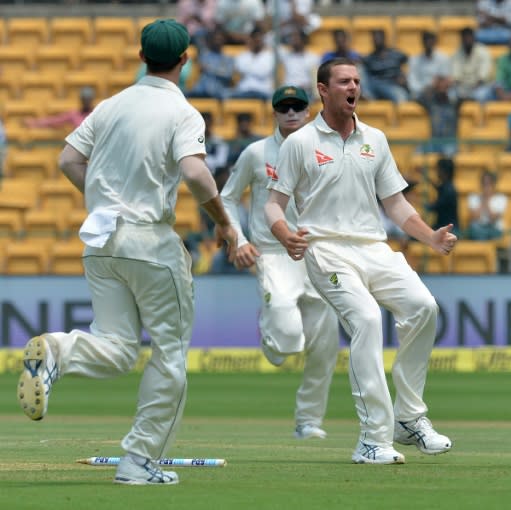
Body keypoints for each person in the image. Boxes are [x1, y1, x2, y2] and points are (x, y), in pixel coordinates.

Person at [16, 19, 239, 485]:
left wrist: (101, 200)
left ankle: (59, 349)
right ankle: (138, 460)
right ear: (186, 59)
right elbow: (197, 176)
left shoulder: (110, 105)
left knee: (117, 348)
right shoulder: (183, 112)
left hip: (100, 241)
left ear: (141, 57)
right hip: (149, 242)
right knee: (171, 354)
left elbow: (67, 160)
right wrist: (225, 224)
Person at [265, 57, 456, 464]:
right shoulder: (299, 143)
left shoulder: (376, 139)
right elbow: (273, 206)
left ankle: (409, 419)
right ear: (323, 90)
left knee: (424, 308)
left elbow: (396, 204)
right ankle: (372, 438)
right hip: (325, 249)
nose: (353, 87)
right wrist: (285, 234)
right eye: (344, 81)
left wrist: (431, 237)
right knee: (367, 320)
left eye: (357, 80)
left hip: (373, 247)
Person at [221, 85, 339, 439]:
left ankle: (308, 422)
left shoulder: (327, 148)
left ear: (308, 111)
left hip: (319, 253)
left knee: (324, 345)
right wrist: (238, 239)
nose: (291, 113)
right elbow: (227, 198)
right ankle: (271, 330)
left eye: (297, 107)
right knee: (288, 340)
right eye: (283, 108)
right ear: (274, 112)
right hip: (273, 252)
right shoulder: (257, 153)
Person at [416, 73, 461, 157]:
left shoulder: (454, 104)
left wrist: (453, 85)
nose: (442, 89)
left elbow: (464, 96)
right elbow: (418, 97)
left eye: (445, 87)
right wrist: (432, 86)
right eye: (439, 87)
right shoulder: (431, 104)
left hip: (449, 142)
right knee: (418, 151)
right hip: (434, 142)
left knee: (448, 156)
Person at [185, 26, 235, 100]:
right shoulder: (204, 56)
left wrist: (209, 68)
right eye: (215, 39)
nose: (217, 41)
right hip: (201, 91)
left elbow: (227, 75)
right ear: (211, 40)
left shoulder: (228, 59)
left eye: (220, 39)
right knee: (182, 94)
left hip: (218, 92)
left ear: (224, 41)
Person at [361, 29, 409, 103]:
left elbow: (412, 62)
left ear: (384, 39)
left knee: (401, 96)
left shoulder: (395, 54)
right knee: (360, 68)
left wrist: (404, 76)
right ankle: (366, 95)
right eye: (374, 38)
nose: (376, 40)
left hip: (392, 85)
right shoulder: (369, 58)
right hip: (375, 87)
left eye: (378, 37)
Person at [450, 26, 494, 103]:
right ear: (462, 39)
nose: (467, 40)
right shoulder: (457, 54)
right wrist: (463, 89)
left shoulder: (483, 51)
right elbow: (456, 77)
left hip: (479, 87)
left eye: (469, 37)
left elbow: (483, 77)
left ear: (473, 38)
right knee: (451, 94)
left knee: (481, 95)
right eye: (465, 38)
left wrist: (472, 89)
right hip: (462, 87)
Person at [231, 25, 275, 100]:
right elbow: (238, 72)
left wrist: (250, 67)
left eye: (259, 38)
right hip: (244, 91)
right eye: (255, 39)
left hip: (263, 91)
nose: (257, 41)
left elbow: (263, 72)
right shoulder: (242, 56)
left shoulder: (270, 56)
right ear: (251, 40)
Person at [406, 30, 450, 101]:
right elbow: (412, 81)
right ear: (423, 42)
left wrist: (435, 87)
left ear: (435, 42)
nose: (429, 43)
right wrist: (423, 89)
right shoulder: (415, 60)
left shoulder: (443, 58)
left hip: (438, 92)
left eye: (431, 40)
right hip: (421, 93)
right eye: (426, 40)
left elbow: (444, 78)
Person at [278, 29, 321, 102]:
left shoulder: (313, 58)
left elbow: (315, 79)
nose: (292, 40)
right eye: (291, 38)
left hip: (305, 92)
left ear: (303, 40)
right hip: (288, 92)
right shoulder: (285, 56)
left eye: (296, 37)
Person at [24, 86, 95, 129]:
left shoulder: (96, 115)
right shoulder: (74, 114)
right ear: (81, 99)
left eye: (88, 99)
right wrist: (35, 122)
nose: (86, 101)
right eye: (84, 99)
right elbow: (55, 121)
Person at [466, 170, 507, 241]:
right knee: (474, 227)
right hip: (478, 228)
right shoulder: (473, 197)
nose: (486, 186)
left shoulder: (501, 198)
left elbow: (493, 219)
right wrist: (482, 200)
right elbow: (474, 217)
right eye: (484, 183)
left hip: (494, 229)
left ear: (493, 184)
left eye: (488, 183)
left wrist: (486, 201)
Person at [426, 157, 460, 233]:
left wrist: (420, 203)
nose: (437, 172)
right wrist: (426, 176)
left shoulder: (448, 190)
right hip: (444, 226)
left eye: (438, 169)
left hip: (449, 229)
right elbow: (438, 187)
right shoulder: (447, 186)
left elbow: (435, 206)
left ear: (444, 172)